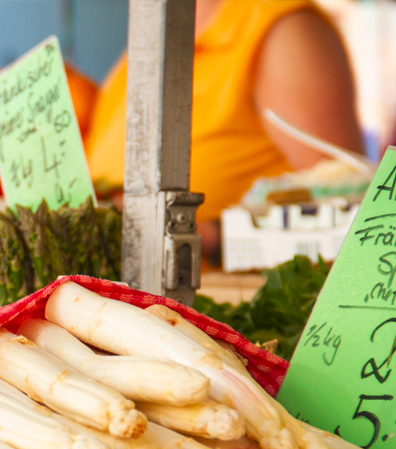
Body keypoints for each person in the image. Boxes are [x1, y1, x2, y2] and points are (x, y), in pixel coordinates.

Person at [84, 0, 363, 260]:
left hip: (233, 306)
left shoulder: (284, 31)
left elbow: (348, 216)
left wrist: (197, 235)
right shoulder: (145, 43)